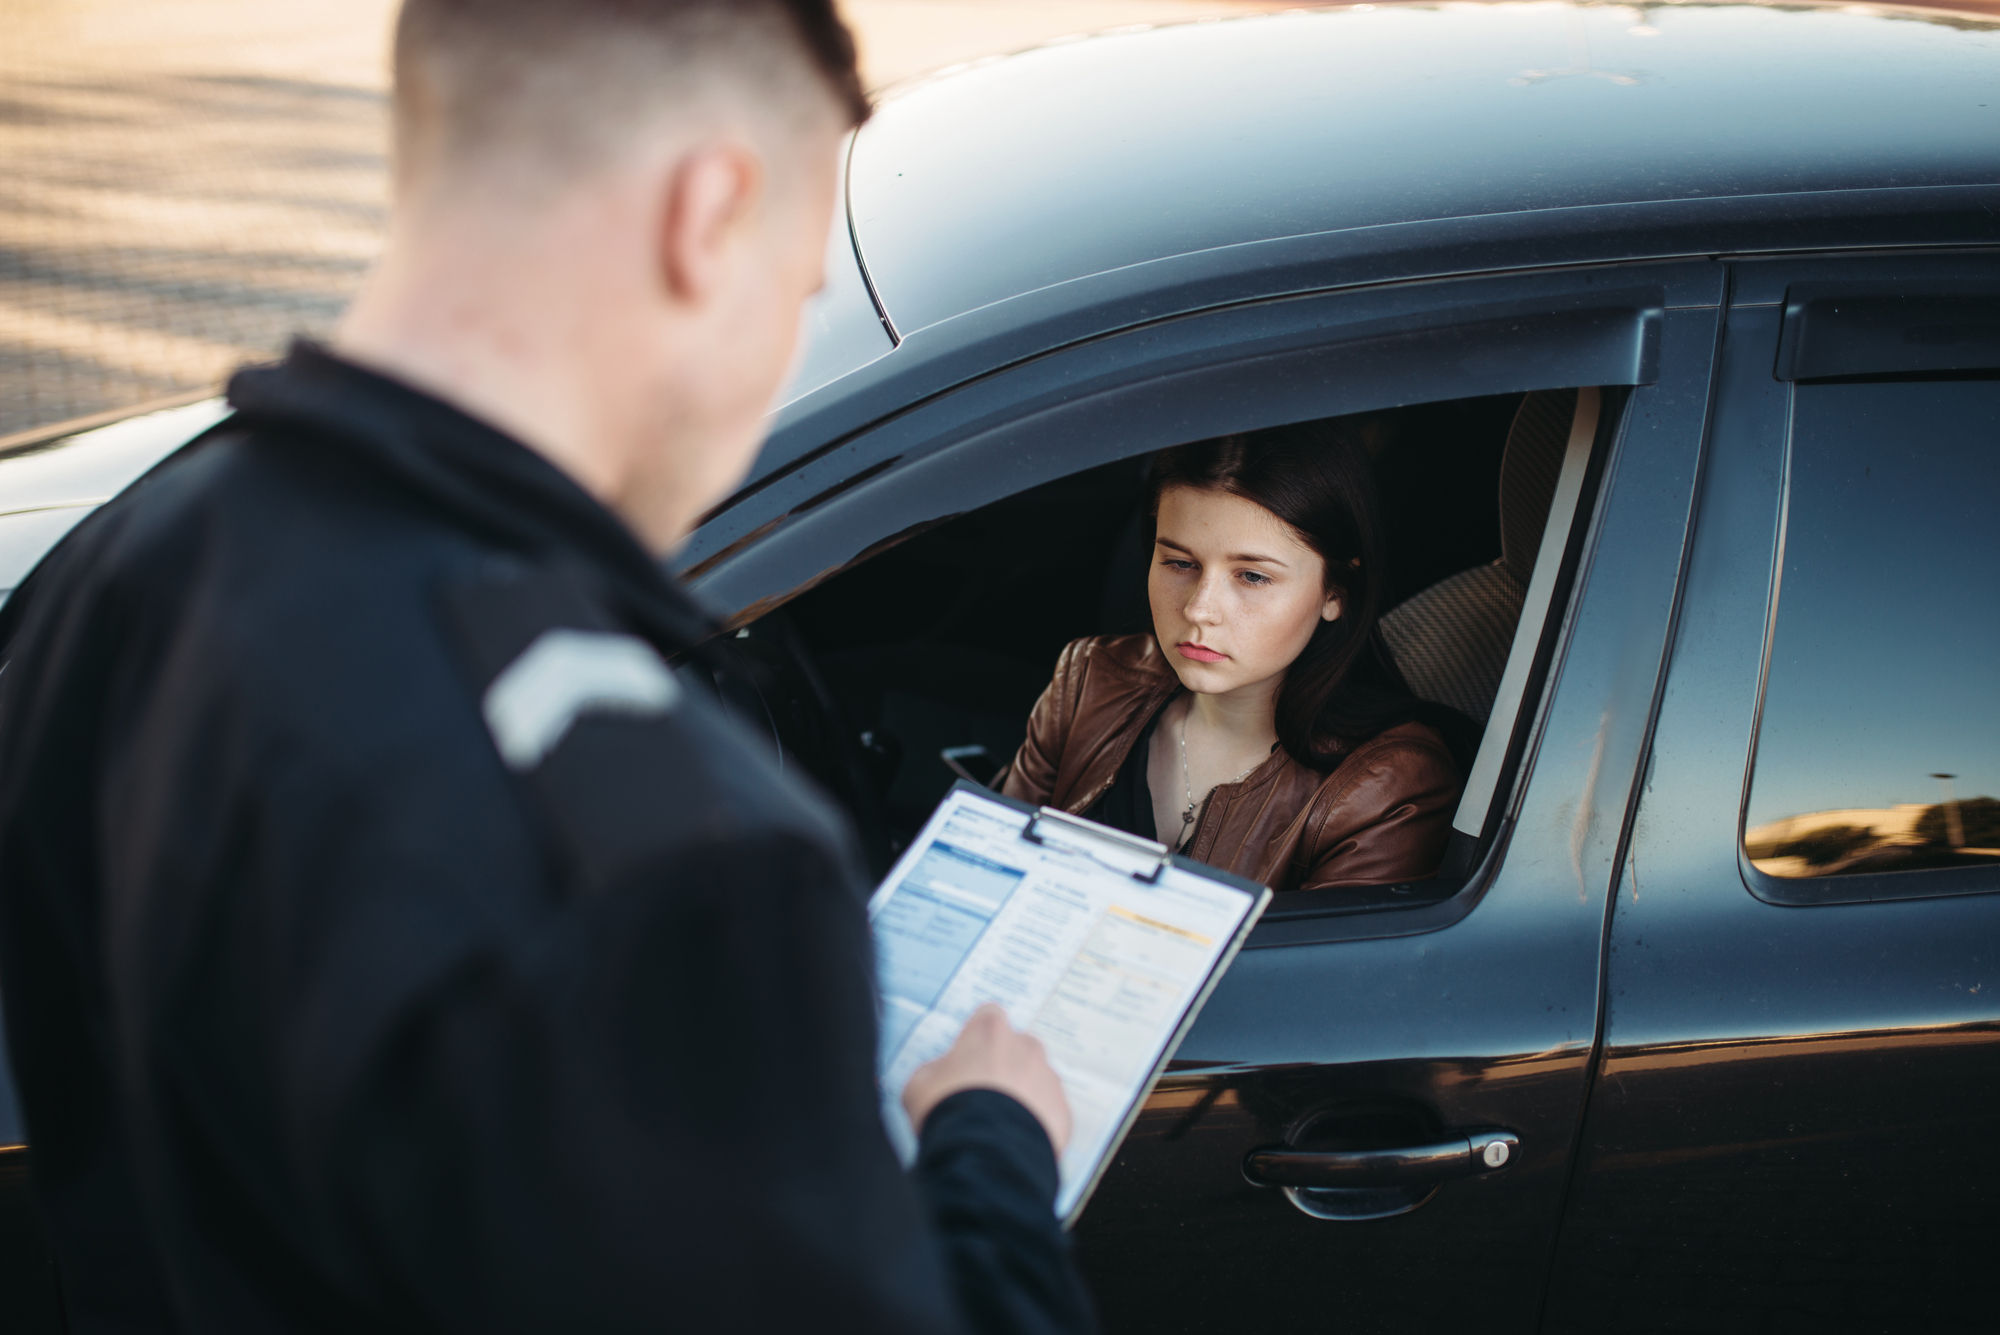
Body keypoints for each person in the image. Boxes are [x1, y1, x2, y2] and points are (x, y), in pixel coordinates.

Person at [0, 3, 1096, 1333]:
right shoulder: (686, 863)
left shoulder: (115, 574)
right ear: (708, 211)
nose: (771, 372)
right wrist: (990, 1147)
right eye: (798, 296)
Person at [998, 423, 1462, 893]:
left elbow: (1309, 968)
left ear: (1336, 592)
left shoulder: (1386, 789)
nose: (1198, 609)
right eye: (1180, 563)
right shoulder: (1091, 680)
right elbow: (986, 875)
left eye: (1253, 577)